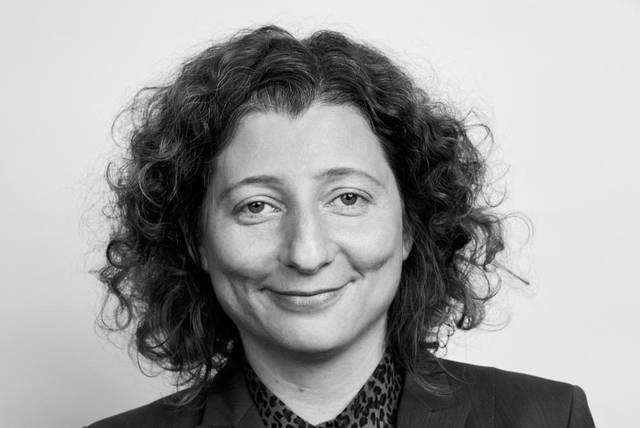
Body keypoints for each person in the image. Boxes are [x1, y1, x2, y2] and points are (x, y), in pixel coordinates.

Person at [88, 25, 595, 427]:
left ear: (409, 225)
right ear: (197, 240)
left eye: (348, 198)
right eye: (257, 206)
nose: (307, 253)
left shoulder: (549, 418)